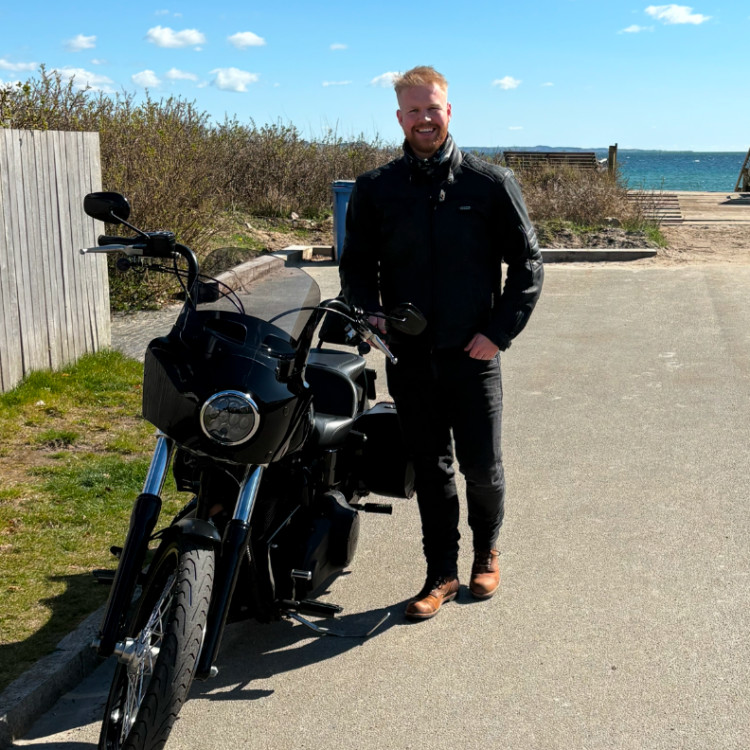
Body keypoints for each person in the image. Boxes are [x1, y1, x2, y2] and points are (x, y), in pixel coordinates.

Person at [339, 65, 543, 620]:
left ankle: (486, 553)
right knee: (430, 470)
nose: (424, 119)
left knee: (482, 468)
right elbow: (356, 265)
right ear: (399, 117)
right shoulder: (376, 188)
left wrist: (497, 333)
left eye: (433, 108)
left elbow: (528, 265)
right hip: (409, 357)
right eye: (414, 110)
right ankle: (441, 573)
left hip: (473, 356)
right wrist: (370, 312)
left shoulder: (490, 184)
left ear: (448, 111)